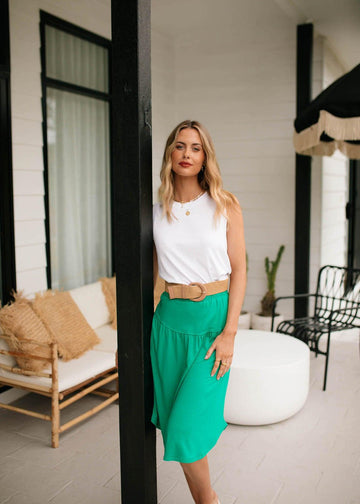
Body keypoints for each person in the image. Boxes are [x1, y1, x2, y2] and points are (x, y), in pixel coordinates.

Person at [151, 119, 246, 504]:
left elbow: (239, 269)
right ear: (170, 154)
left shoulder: (225, 204)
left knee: (186, 433)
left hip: (212, 325)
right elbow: (150, 275)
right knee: (175, 427)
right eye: (179, 146)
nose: (186, 154)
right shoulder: (156, 209)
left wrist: (230, 334)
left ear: (205, 156)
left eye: (195, 147)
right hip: (168, 324)